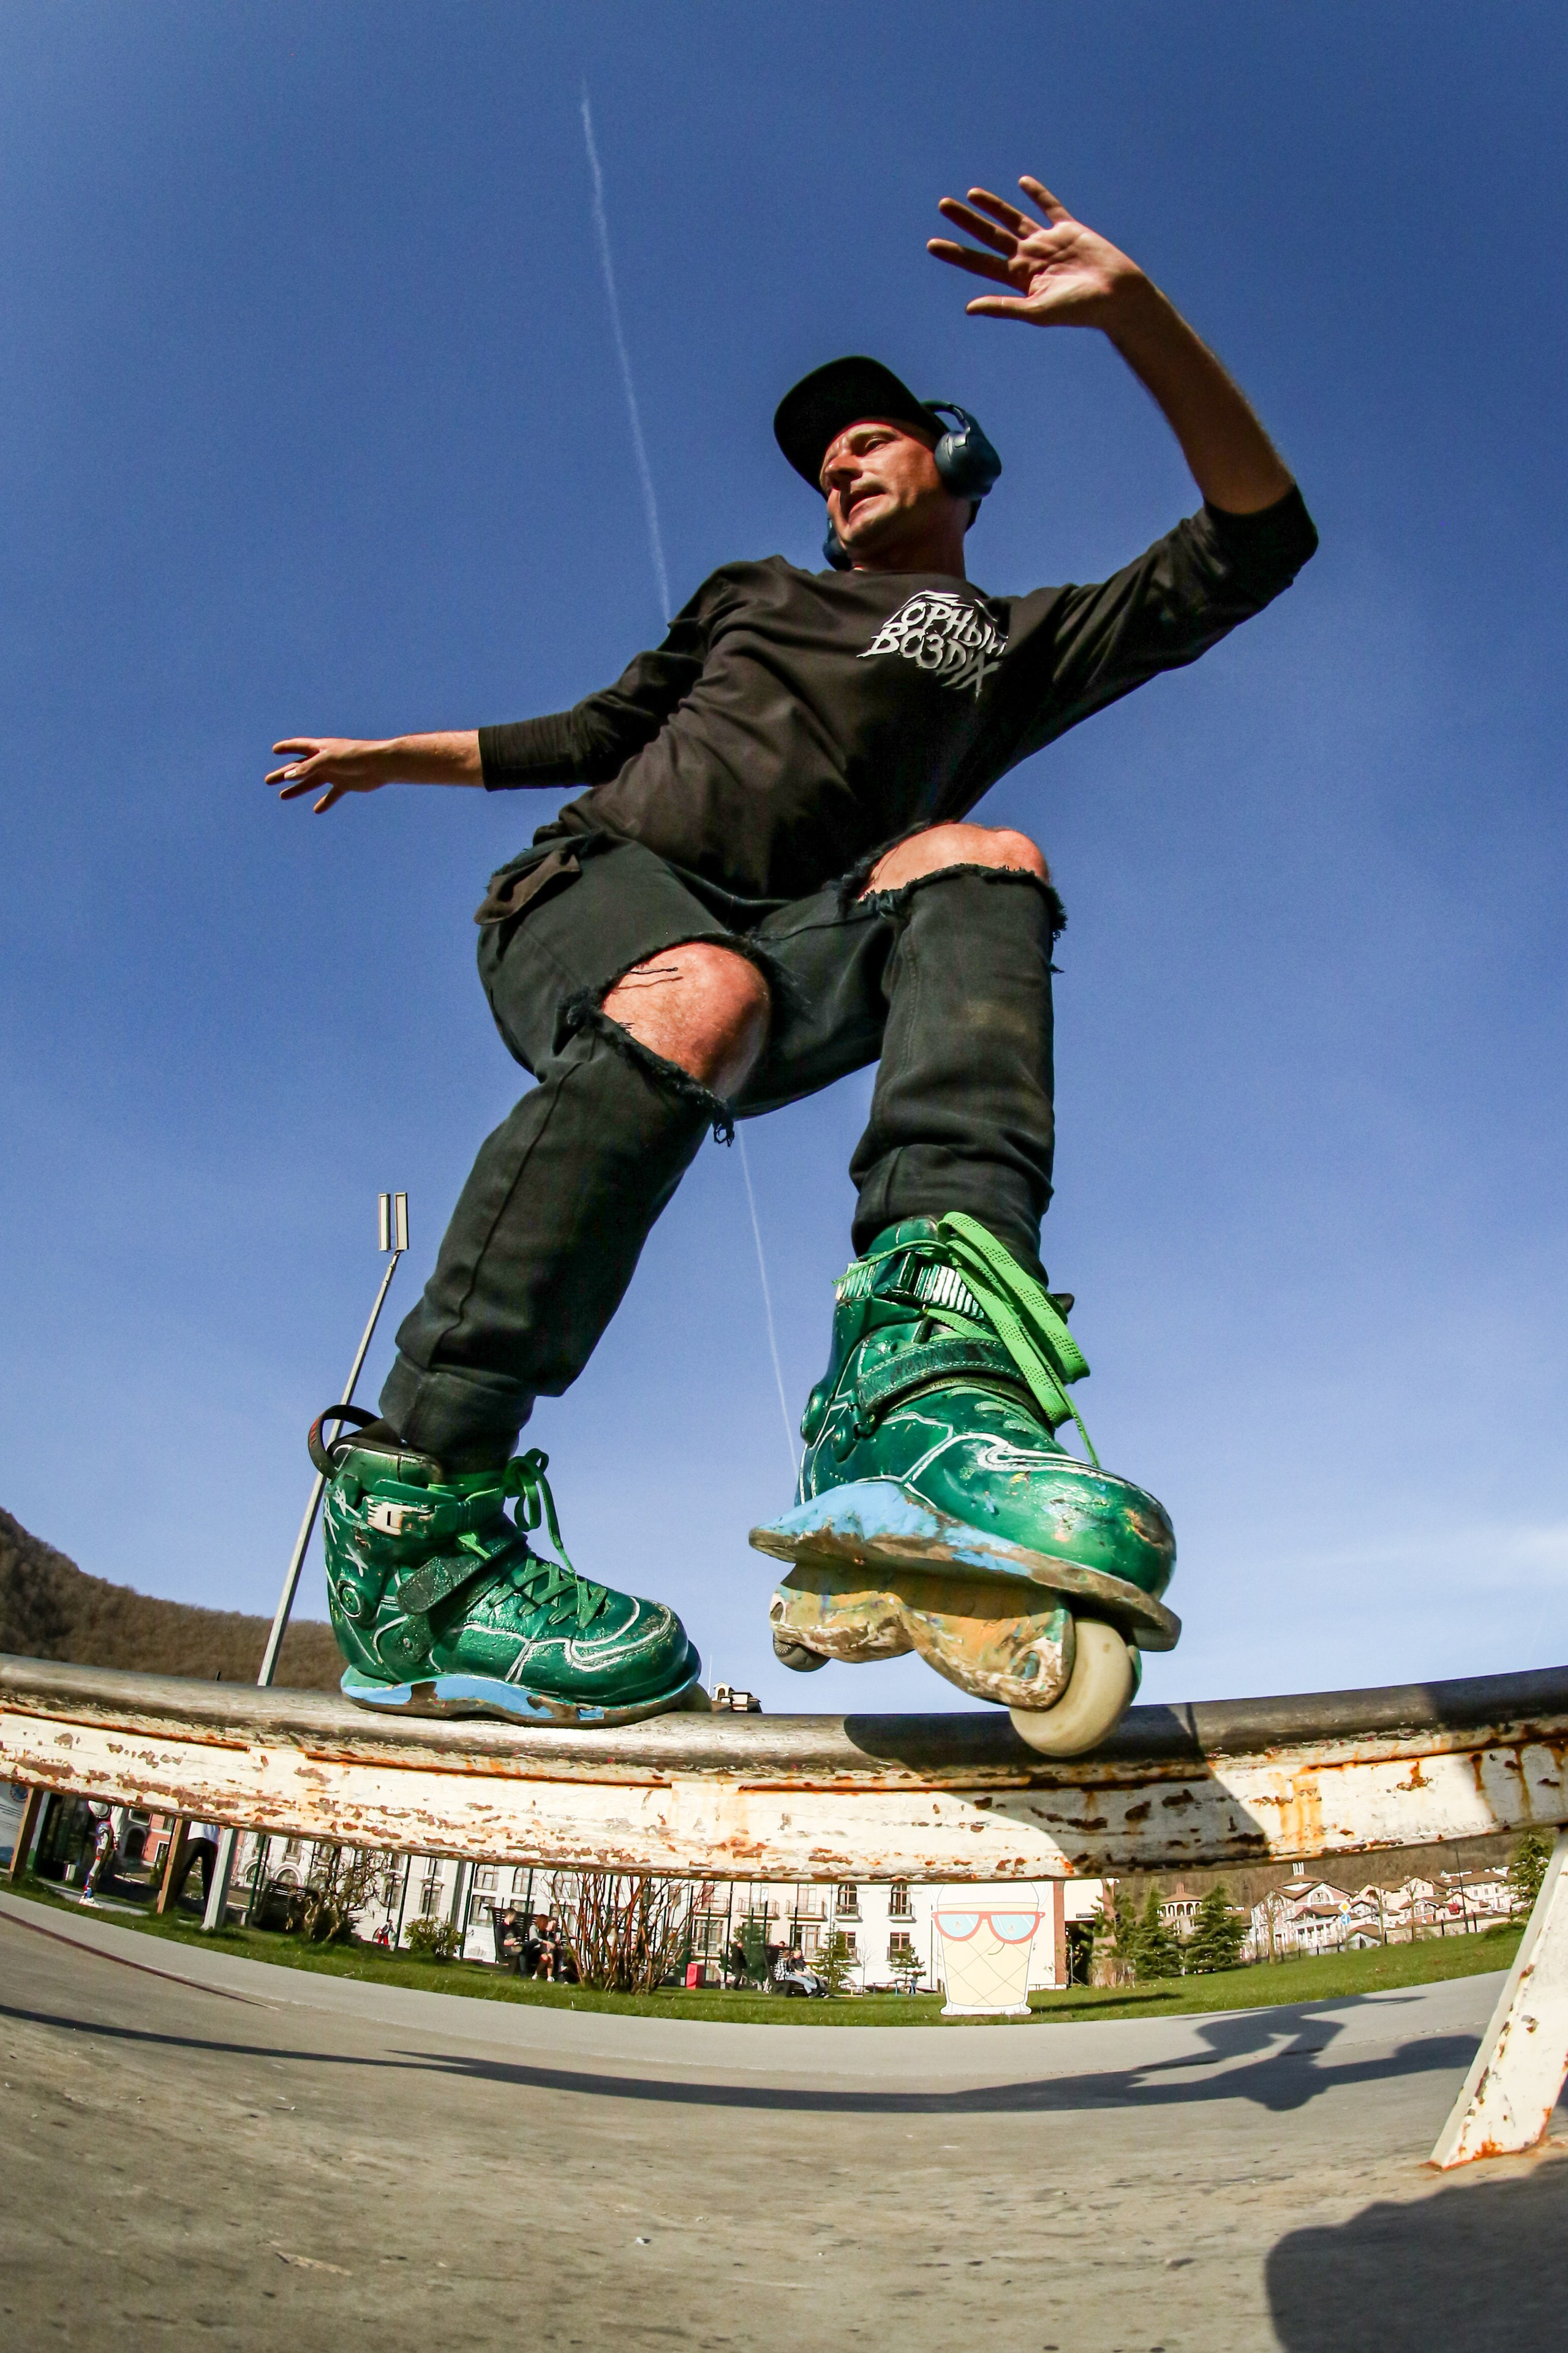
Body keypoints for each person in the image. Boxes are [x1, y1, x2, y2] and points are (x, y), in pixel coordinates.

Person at [274, 174, 1315, 1748]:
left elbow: (1254, 543)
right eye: (824, 463)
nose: (838, 466)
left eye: (872, 440)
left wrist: (1134, 319)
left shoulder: (1000, 645)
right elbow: (590, 732)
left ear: (955, 461)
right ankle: (420, 1519)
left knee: (981, 860)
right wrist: (391, 755)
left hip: (784, 947)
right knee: (703, 988)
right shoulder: (756, 593)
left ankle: (921, 1376)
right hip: (590, 893)